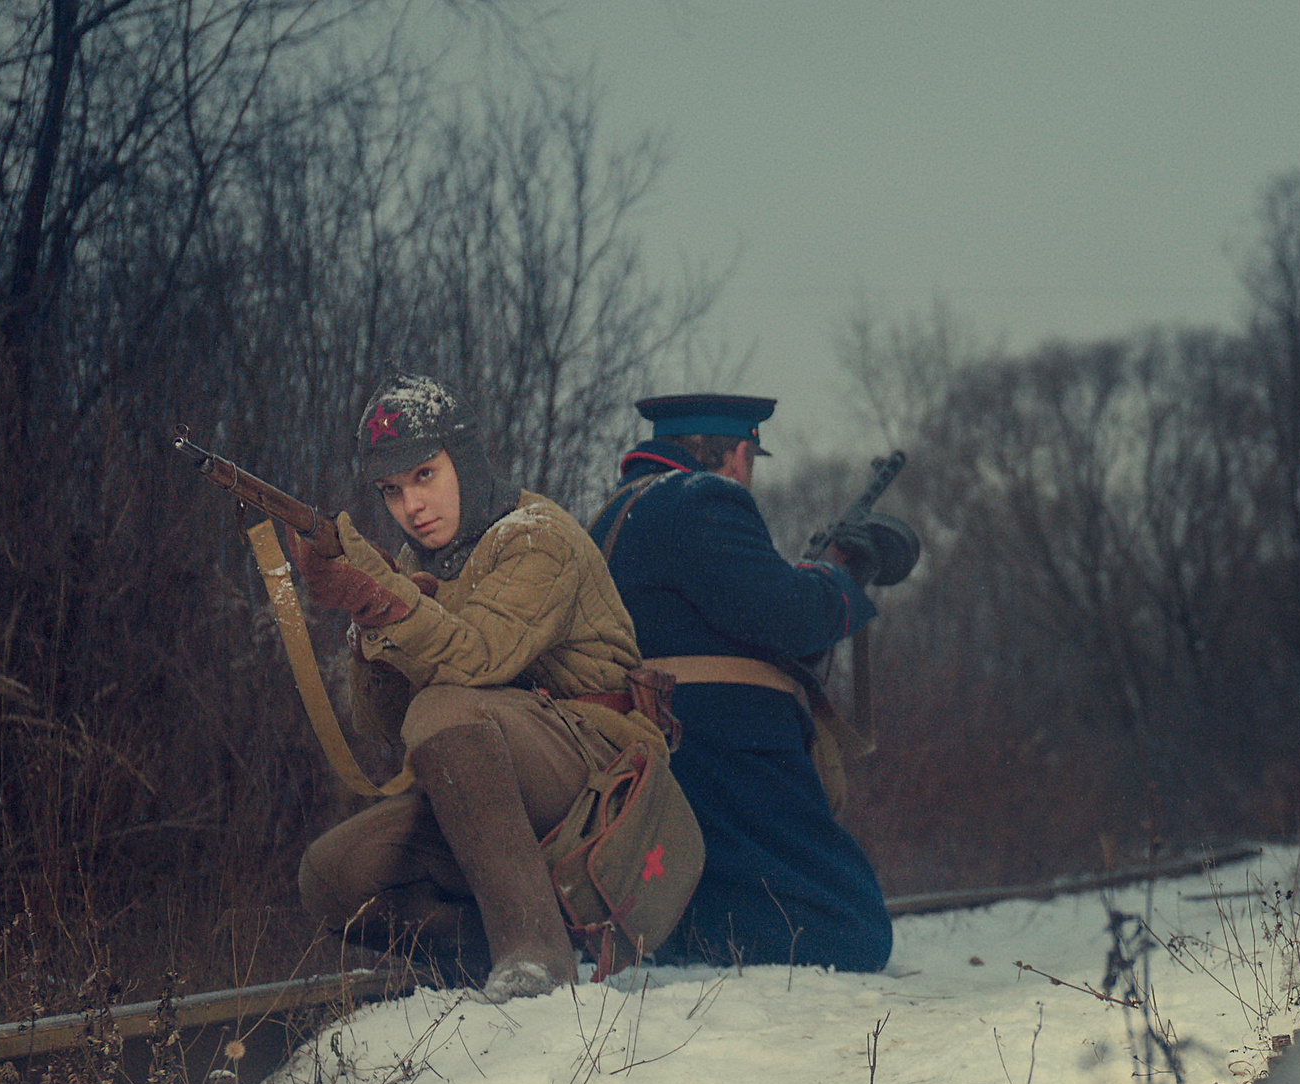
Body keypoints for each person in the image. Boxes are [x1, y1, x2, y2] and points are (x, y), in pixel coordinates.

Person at [294, 374, 688, 1001]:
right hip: (495, 787)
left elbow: (476, 659)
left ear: (466, 461)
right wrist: (371, 621)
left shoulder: (536, 536)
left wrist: (385, 597)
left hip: (599, 778)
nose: (410, 506)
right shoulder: (421, 564)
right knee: (331, 876)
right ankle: (479, 951)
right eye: (391, 491)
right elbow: (385, 727)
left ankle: (532, 955)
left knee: (446, 709)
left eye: (425, 476)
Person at [586, 394, 918, 973]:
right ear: (738, 455)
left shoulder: (613, 514)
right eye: (751, 459)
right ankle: (690, 944)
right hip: (729, 749)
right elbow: (784, 617)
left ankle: (677, 936)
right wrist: (838, 576)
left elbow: (722, 620)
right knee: (854, 931)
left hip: (659, 746)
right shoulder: (704, 498)